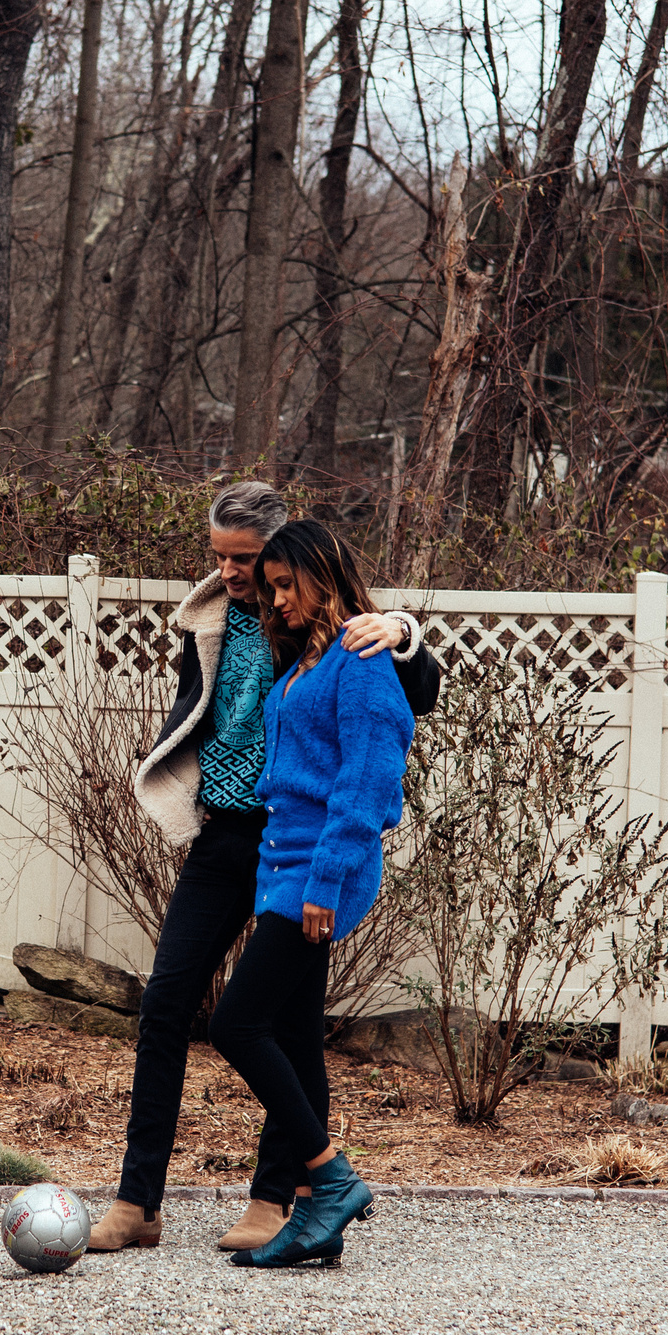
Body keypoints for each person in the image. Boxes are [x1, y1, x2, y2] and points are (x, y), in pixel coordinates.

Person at [85, 482, 438, 1255]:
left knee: (287, 1026)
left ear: (288, 555)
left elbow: (406, 699)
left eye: (251, 561)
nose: (240, 575)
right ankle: (138, 1198)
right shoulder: (210, 615)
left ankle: (279, 1197)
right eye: (223, 557)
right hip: (231, 835)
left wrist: (403, 628)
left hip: (300, 839)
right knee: (166, 1003)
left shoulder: (328, 627)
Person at [214, 520, 414, 1268]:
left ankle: (330, 1178)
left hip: (318, 870)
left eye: (286, 583)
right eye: (270, 587)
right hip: (283, 862)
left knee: (236, 1023)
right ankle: (312, 1216)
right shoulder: (307, 655)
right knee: (296, 1041)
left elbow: (367, 781)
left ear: (321, 575)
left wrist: (327, 877)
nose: (277, 598)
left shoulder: (361, 661)